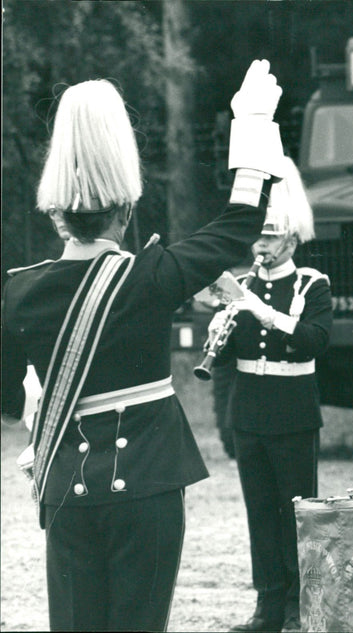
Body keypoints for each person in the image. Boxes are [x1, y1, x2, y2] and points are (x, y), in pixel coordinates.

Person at [0, 60, 284, 632]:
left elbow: (9, 404)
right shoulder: (151, 275)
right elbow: (240, 222)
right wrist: (252, 122)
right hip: (147, 480)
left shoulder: (18, 291)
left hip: (64, 488)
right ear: (126, 209)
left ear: (56, 215)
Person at [209, 156, 332, 633]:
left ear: (292, 238)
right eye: (258, 237)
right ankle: (267, 606)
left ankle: (300, 606)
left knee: (297, 513)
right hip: (250, 411)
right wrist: (218, 331)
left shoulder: (311, 284)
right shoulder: (240, 287)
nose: (261, 246)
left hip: (294, 410)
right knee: (259, 512)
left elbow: (314, 341)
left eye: (271, 237)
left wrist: (263, 312)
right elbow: (224, 358)